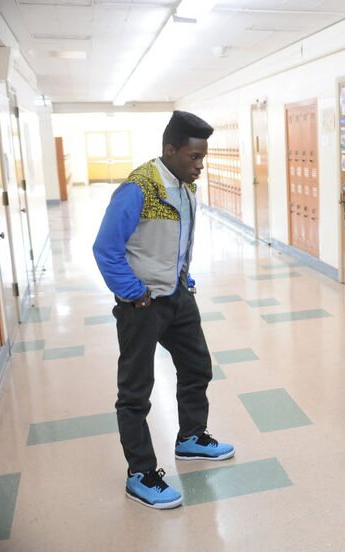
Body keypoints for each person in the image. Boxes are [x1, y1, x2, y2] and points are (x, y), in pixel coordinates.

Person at [93, 110, 235, 510]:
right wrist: (133, 291)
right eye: (193, 157)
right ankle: (140, 473)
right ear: (169, 150)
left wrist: (183, 277)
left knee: (197, 366)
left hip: (176, 297)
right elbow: (105, 249)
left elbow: (178, 242)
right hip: (142, 304)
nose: (200, 166)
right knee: (136, 392)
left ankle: (191, 437)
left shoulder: (185, 187)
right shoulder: (138, 188)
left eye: (203, 157)